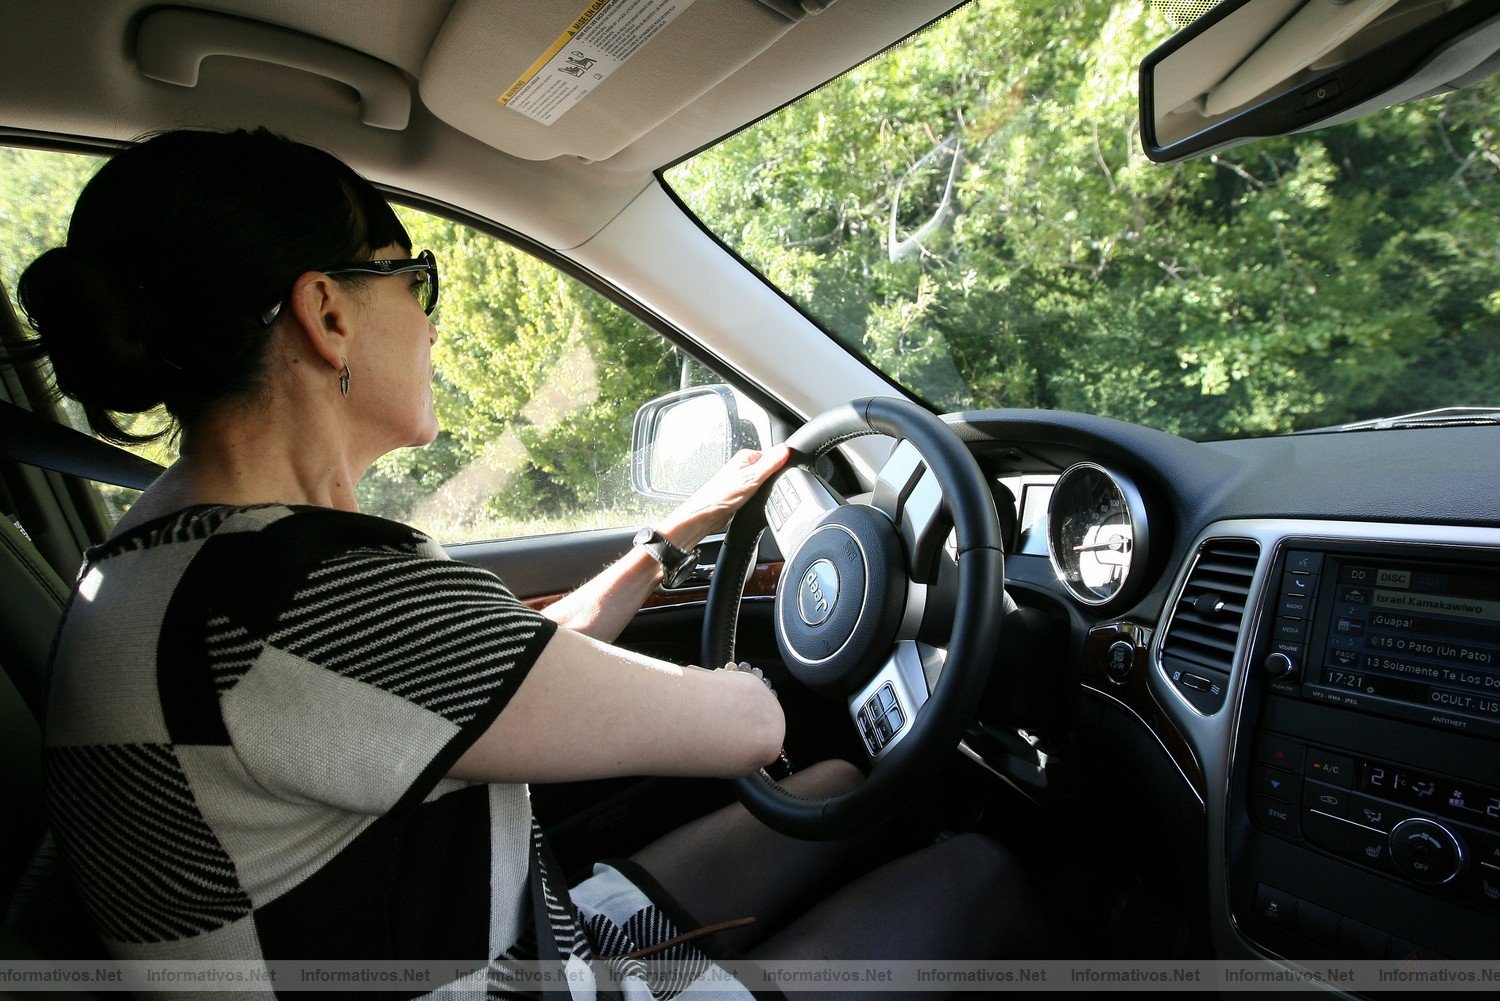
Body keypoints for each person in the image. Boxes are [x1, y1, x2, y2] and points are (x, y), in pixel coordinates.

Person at [17, 128, 1047, 999]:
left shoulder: (163, 558)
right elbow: (753, 723)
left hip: (518, 939)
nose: (426, 322)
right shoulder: (311, 591)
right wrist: (774, 650)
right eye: (410, 276)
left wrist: (669, 536)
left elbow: (486, 677)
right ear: (328, 312)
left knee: (837, 779)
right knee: (980, 872)